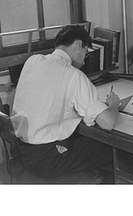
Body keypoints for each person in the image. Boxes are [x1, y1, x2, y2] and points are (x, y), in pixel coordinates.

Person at [11, 25, 120, 183]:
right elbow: (108, 123)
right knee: (113, 151)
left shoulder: (32, 61)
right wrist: (113, 105)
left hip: (21, 151)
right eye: (85, 53)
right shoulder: (74, 75)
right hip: (47, 159)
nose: (84, 61)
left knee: (87, 143)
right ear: (77, 44)